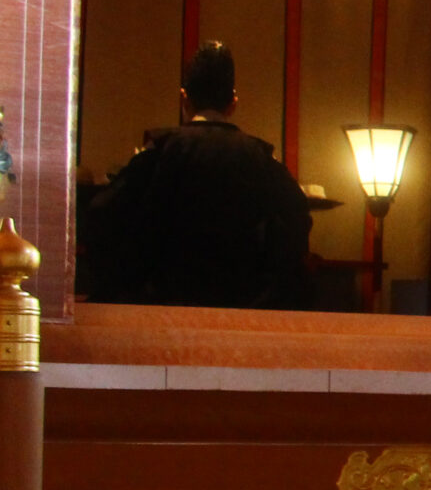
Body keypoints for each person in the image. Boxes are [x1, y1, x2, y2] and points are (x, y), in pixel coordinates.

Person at [81, 41, 313, 309]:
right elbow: (295, 223)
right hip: (243, 304)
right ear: (233, 103)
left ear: (184, 99)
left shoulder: (161, 151)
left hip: (164, 301)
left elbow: (104, 215)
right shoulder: (261, 158)